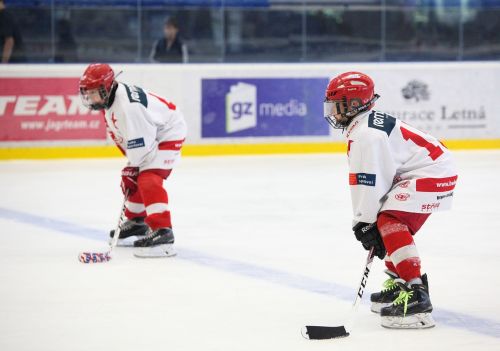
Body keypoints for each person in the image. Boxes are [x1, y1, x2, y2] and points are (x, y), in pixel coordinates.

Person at [323, 71, 457, 329]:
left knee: (389, 219)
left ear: (353, 104)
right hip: (429, 169)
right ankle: (400, 284)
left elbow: (371, 181)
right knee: (386, 221)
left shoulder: (366, 135)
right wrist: (367, 222)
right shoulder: (362, 125)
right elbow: (377, 182)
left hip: (432, 172)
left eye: (336, 105)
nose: (332, 112)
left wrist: (364, 222)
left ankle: (417, 295)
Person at [79, 63, 187, 258]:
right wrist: (132, 167)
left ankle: (164, 232)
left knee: (148, 177)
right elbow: (129, 141)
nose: (91, 98)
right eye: (88, 93)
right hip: (152, 132)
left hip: (169, 131)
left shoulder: (127, 107)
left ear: (108, 87)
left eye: (95, 92)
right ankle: (137, 222)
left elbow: (143, 151)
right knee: (138, 175)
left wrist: (133, 168)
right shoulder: (111, 100)